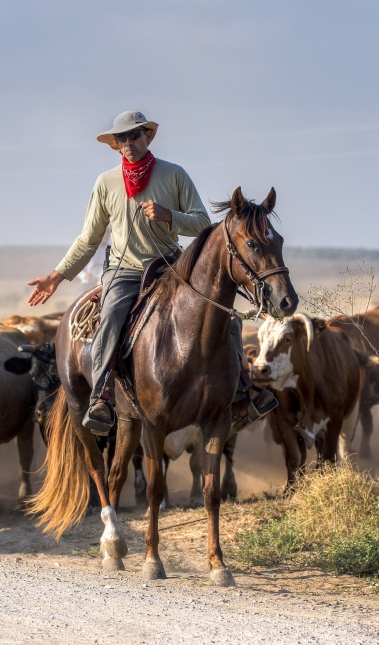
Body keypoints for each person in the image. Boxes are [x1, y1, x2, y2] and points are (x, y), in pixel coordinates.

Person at [28, 110, 275, 434]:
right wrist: (56, 276)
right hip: (124, 271)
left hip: (171, 266)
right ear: (115, 145)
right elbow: (88, 239)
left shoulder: (174, 175)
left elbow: (203, 222)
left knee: (224, 316)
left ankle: (243, 394)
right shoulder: (106, 184)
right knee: (112, 317)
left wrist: (169, 215)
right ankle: (101, 398)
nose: (128, 142)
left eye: (134, 135)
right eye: (121, 138)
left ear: (148, 137)